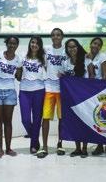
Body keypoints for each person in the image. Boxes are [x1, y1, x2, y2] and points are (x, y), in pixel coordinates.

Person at [62, 39, 94, 158]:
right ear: (67, 49)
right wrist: (62, 77)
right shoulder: (65, 63)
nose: (72, 49)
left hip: (84, 97)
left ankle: (85, 148)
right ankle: (77, 148)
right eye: (69, 47)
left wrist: (88, 91)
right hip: (71, 97)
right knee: (74, 122)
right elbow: (65, 79)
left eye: (74, 46)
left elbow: (91, 76)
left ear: (78, 47)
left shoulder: (86, 59)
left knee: (84, 122)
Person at [37, 28, 66, 159]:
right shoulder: (46, 50)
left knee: (61, 118)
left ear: (62, 37)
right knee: (46, 118)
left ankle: (60, 144)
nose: (56, 37)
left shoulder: (67, 50)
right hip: (48, 88)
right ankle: (45, 147)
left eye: (58, 35)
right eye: (53, 35)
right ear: (51, 37)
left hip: (62, 89)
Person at [0, 36, 21, 158]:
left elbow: (18, 77)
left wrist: (21, 71)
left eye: (14, 44)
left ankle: (8, 148)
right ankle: (0, 149)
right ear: (6, 44)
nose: (12, 46)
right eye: (10, 43)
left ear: (17, 45)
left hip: (10, 92)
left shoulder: (18, 59)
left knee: (8, 121)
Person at [17, 36, 46, 154]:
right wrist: (18, 73)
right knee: (25, 120)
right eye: (32, 42)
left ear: (40, 46)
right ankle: (35, 138)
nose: (34, 45)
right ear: (30, 44)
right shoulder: (22, 57)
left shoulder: (44, 58)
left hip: (39, 90)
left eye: (37, 43)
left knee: (37, 119)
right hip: (24, 90)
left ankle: (33, 144)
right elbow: (18, 75)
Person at [86, 37, 106, 155]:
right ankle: (100, 144)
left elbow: (105, 76)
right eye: (94, 43)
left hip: (101, 91)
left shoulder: (102, 57)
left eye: (98, 45)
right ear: (90, 44)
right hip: (89, 91)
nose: (95, 46)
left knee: (103, 119)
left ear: (101, 47)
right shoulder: (85, 57)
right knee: (94, 119)